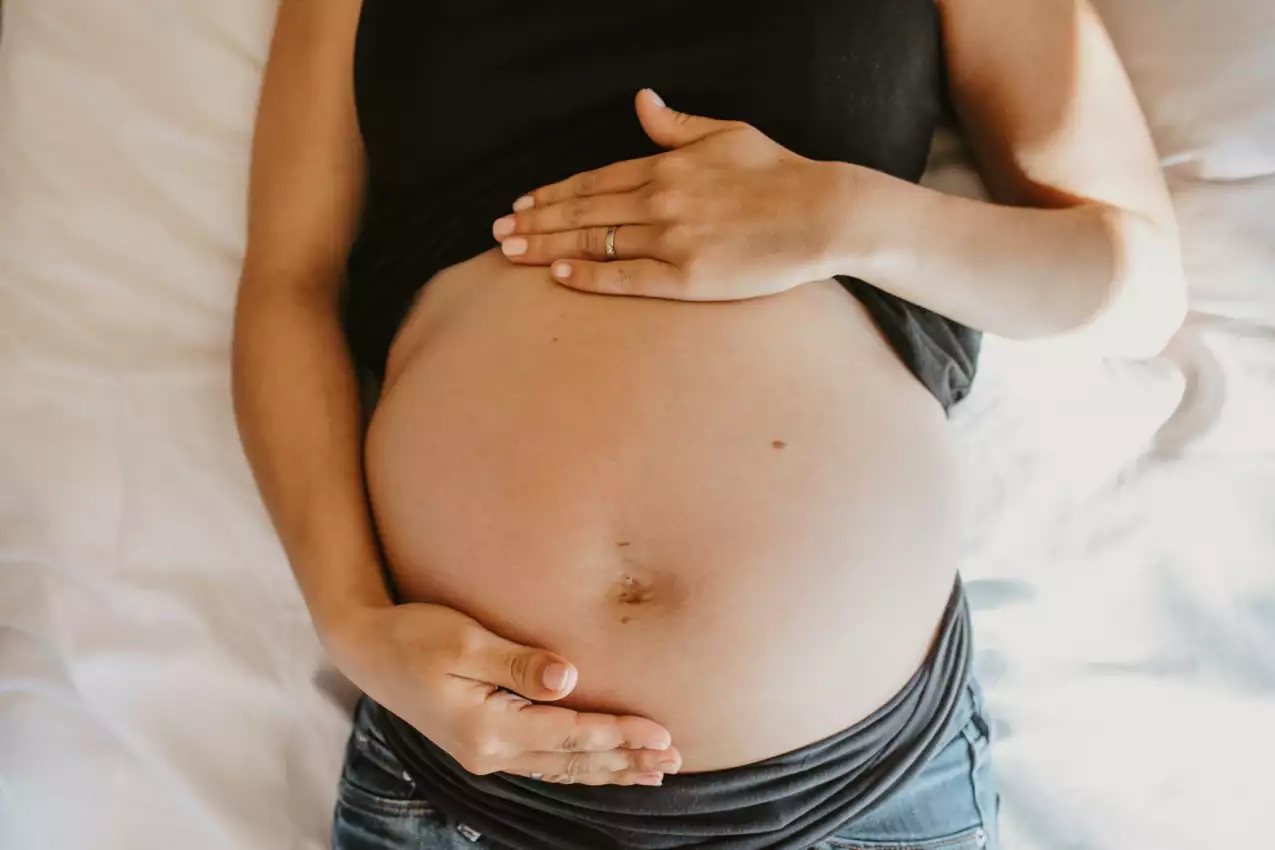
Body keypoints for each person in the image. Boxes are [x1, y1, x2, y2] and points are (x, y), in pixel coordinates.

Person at [232, 1, 1184, 848]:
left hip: (857, 794)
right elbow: (289, 285)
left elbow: (1136, 287)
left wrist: (846, 218)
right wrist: (351, 622)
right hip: (464, 787)